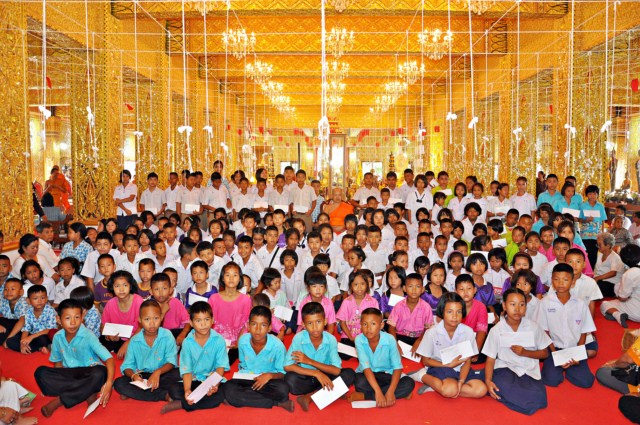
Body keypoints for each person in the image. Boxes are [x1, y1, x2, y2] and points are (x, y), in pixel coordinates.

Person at [35, 299, 115, 418]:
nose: (73, 322)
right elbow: (57, 362)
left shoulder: (88, 335)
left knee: (100, 372)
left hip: (89, 372)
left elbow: (109, 359)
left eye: (77, 317)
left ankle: (59, 401)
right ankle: (88, 391)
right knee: (40, 372)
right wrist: (58, 378)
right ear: (59, 320)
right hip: (71, 373)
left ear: (82, 317)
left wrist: (108, 383)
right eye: (68, 318)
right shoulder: (57, 337)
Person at [482, 288, 552, 415]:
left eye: (521, 305)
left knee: (541, 399)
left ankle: (505, 395)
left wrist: (525, 352)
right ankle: (501, 390)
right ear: (504, 306)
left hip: (528, 371)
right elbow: (491, 359)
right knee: (508, 387)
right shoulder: (496, 330)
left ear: (526, 307)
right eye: (512, 304)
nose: (517, 309)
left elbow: (545, 353)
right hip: (505, 369)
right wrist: (488, 381)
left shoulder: (533, 327)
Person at [284, 302, 356, 411]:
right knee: (290, 380)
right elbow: (287, 366)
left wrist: (310, 361)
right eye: (310, 323)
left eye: (318, 322)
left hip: (326, 375)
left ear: (325, 321)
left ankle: (310, 397)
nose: (315, 327)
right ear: (303, 325)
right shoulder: (299, 338)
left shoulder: (330, 339)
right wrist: (316, 373)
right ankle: (332, 392)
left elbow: (336, 370)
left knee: (350, 374)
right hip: (307, 376)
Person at [161, 301, 229, 414]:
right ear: (191, 323)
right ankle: (207, 400)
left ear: (212, 320)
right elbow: (187, 370)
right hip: (194, 380)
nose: (203, 324)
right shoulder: (187, 342)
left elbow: (220, 368)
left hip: (212, 380)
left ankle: (182, 404)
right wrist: (187, 390)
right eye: (198, 320)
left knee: (227, 389)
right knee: (174, 389)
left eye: (206, 319)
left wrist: (214, 385)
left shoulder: (219, 340)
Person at [413, 293, 486, 398]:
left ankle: (440, 386)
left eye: (459, 312)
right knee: (450, 390)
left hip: (461, 368)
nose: (454, 316)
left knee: (480, 390)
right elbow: (425, 361)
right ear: (442, 312)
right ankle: (422, 376)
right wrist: (448, 365)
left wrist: (461, 381)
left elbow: (467, 360)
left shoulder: (468, 332)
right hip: (438, 366)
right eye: (449, 312)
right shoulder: (432, 332)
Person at [536, 263, 596, 388]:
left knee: (586, 382)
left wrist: (578, 354)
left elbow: (584, 331)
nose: (561, 283)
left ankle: (570, 370)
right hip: (554, 348)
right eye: (556, 279)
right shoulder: (545, 303)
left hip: (574, 348)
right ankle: (561, 369)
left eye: (565, 280)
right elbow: (544, 332)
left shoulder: (580, 304)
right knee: (551, 381)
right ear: (552, 281)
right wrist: (556, 355)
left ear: (572, 281)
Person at [223, 306, 294, 412]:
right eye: (254, 324)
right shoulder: (243, 341)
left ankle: (240, 399)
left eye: (263, 325)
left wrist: (269, 375)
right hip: (248, 377)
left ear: (269, 328)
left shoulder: (278, 346)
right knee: (227, 388)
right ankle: (276, 403)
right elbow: (243, 365)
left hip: (268, 380)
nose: (258, 329)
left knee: (283, 389)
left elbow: (283, 373)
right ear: (248, 326)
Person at [113, 299, 179, 402]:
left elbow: (171, 362)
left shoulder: (167, 335)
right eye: (147, 319)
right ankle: (163, 395)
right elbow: (127, 366)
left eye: (156, 318)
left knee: (180, 374)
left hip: (162, 374)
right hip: (142, 376)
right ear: (139, 320)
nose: (152, 323)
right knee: (118, 383)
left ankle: (134, 392)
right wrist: (134, 376)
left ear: (161, 317)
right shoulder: (135, 340)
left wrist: (157, 372)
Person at [348, 307, 415, 406]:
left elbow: (397, 367)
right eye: (365, 324)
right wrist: (378, 392)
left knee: (409, 383)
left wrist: (391, 392)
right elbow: (366, 368)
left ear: (381, 325)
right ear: (360, 325)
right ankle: (399, 393)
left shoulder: (390, 339)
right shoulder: (359, 340)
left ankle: (365, 396)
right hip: (368, 374)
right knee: (359, 382)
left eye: (373, 324)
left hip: (387, 374)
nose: (368, 328)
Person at [208, 262, 252, 365]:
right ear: (222, 278)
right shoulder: (214, 298)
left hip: (235, 343)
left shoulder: (245, 300)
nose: (231, 278)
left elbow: (246, 324)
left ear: (240, 279)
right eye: (227, 275)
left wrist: (238, 342)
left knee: (225, 363)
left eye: (235, 275)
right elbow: (208, 321)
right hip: (215, 341)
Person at [100, 270, 144, 357]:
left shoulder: (138, 301)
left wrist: (127, 343)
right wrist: (109, 336)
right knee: (99, 345)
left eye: (125, 285)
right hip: (117, 338)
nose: (121, 289)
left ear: (130, 286)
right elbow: (103, 326)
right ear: (112, 288)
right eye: (117, 286)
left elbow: (142, 327)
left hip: (135, 337)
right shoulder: (110, 303)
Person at [5, 285, 56, 354]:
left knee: (43, 339)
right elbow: (26, 329)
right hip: (32, 335)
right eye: (35, 298)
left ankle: (37, 347)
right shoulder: (28, 310)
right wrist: (23, 343)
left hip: (44, 335)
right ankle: (38, 348)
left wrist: (30, 337)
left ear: (47, 298)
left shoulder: (50, 310)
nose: (39, 301)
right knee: (10, 341)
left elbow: (49, 329)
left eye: (42, 298)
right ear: (28, 300)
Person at [601, 244, 640, 328]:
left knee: (604, 304)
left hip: (637, 311)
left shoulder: (630, 273)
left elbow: (622, 298)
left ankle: (617, 315)